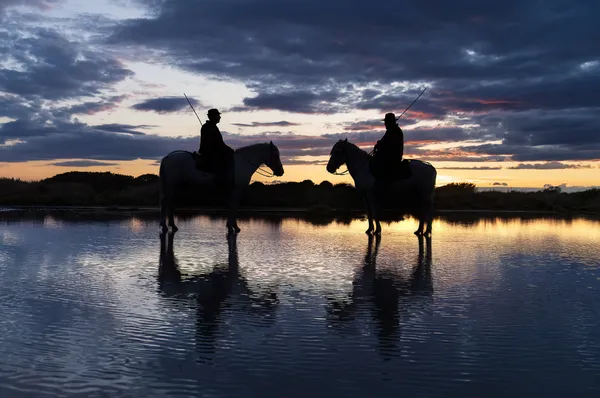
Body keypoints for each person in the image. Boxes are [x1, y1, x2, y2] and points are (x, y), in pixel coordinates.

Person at [198, 108, 235, 192]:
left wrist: (228, 149)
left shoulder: (211, 126)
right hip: (210, 153)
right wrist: (228, 150)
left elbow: (219, 143)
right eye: (218, 115)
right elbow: (218, 143)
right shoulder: (209, 127)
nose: (219, 117)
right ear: (213, 117)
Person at [372, 112, 404, 184]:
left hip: (393, 157)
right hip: (388, 156)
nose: (385, 124)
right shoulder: (390, 131)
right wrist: (379, 144)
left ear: (391, 122)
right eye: (385, 122)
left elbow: (390, 144)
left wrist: (380, 144)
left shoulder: (395, 131)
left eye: (386, 122)